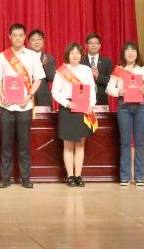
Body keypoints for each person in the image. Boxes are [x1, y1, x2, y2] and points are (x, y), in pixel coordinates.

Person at [0, 23, 45, 189]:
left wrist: (29, 95)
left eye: (21, 35)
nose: (18, 38)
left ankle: (25, 178)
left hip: (25, 106)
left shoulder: (32, 56)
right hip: (7, 106)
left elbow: (38, 79)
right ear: (10, 37)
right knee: (6, 144)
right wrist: (2, 95)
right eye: (15, 35)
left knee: (24, 144)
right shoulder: (3, 56)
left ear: (25, 37)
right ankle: (5, 178)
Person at [107, 41, 144, 187]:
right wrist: (119, 91)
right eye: (127, 50)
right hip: (124, 108)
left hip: (141, 108)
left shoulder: (143, 70)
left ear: (137, 53)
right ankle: (125, 176)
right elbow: (109, 88)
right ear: (123, 54)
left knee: (140, 143)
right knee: (125, 142)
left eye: (133, 50)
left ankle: (139, 177)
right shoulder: (119, 70)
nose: (130, 53)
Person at [51, 42, 95, 187]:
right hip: (68, 108)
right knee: (68, 145)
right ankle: (70, 176)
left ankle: (78, 175)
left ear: (81, 55)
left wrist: (91, 104)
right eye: (72, 53)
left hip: (84, 107)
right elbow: (55, 92)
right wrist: (66, 103)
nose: (75, 55)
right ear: (67, 55)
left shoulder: (86, 70)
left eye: (77, 52)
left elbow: (92, 89)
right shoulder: (61, 71)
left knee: (81, 144)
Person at [27, 30, 57, 109]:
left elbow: (52, 78)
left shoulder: (49, 58)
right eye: (33, 40)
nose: (36, 42)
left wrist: (45, 65)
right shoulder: (23, 57)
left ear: (43, 42)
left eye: (39, 39)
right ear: (29, 43)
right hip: (26, 95)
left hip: (43, 97)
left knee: (44, 117)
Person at [85, 33, 114, 106]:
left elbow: (111, 81)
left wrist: (98, 77)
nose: (93, 45)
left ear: (100, 45)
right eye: (91, 43)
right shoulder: (80, 61)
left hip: (102, 100)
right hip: (84, 99)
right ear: (86, 45)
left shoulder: (107, 62)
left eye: (96, 43)